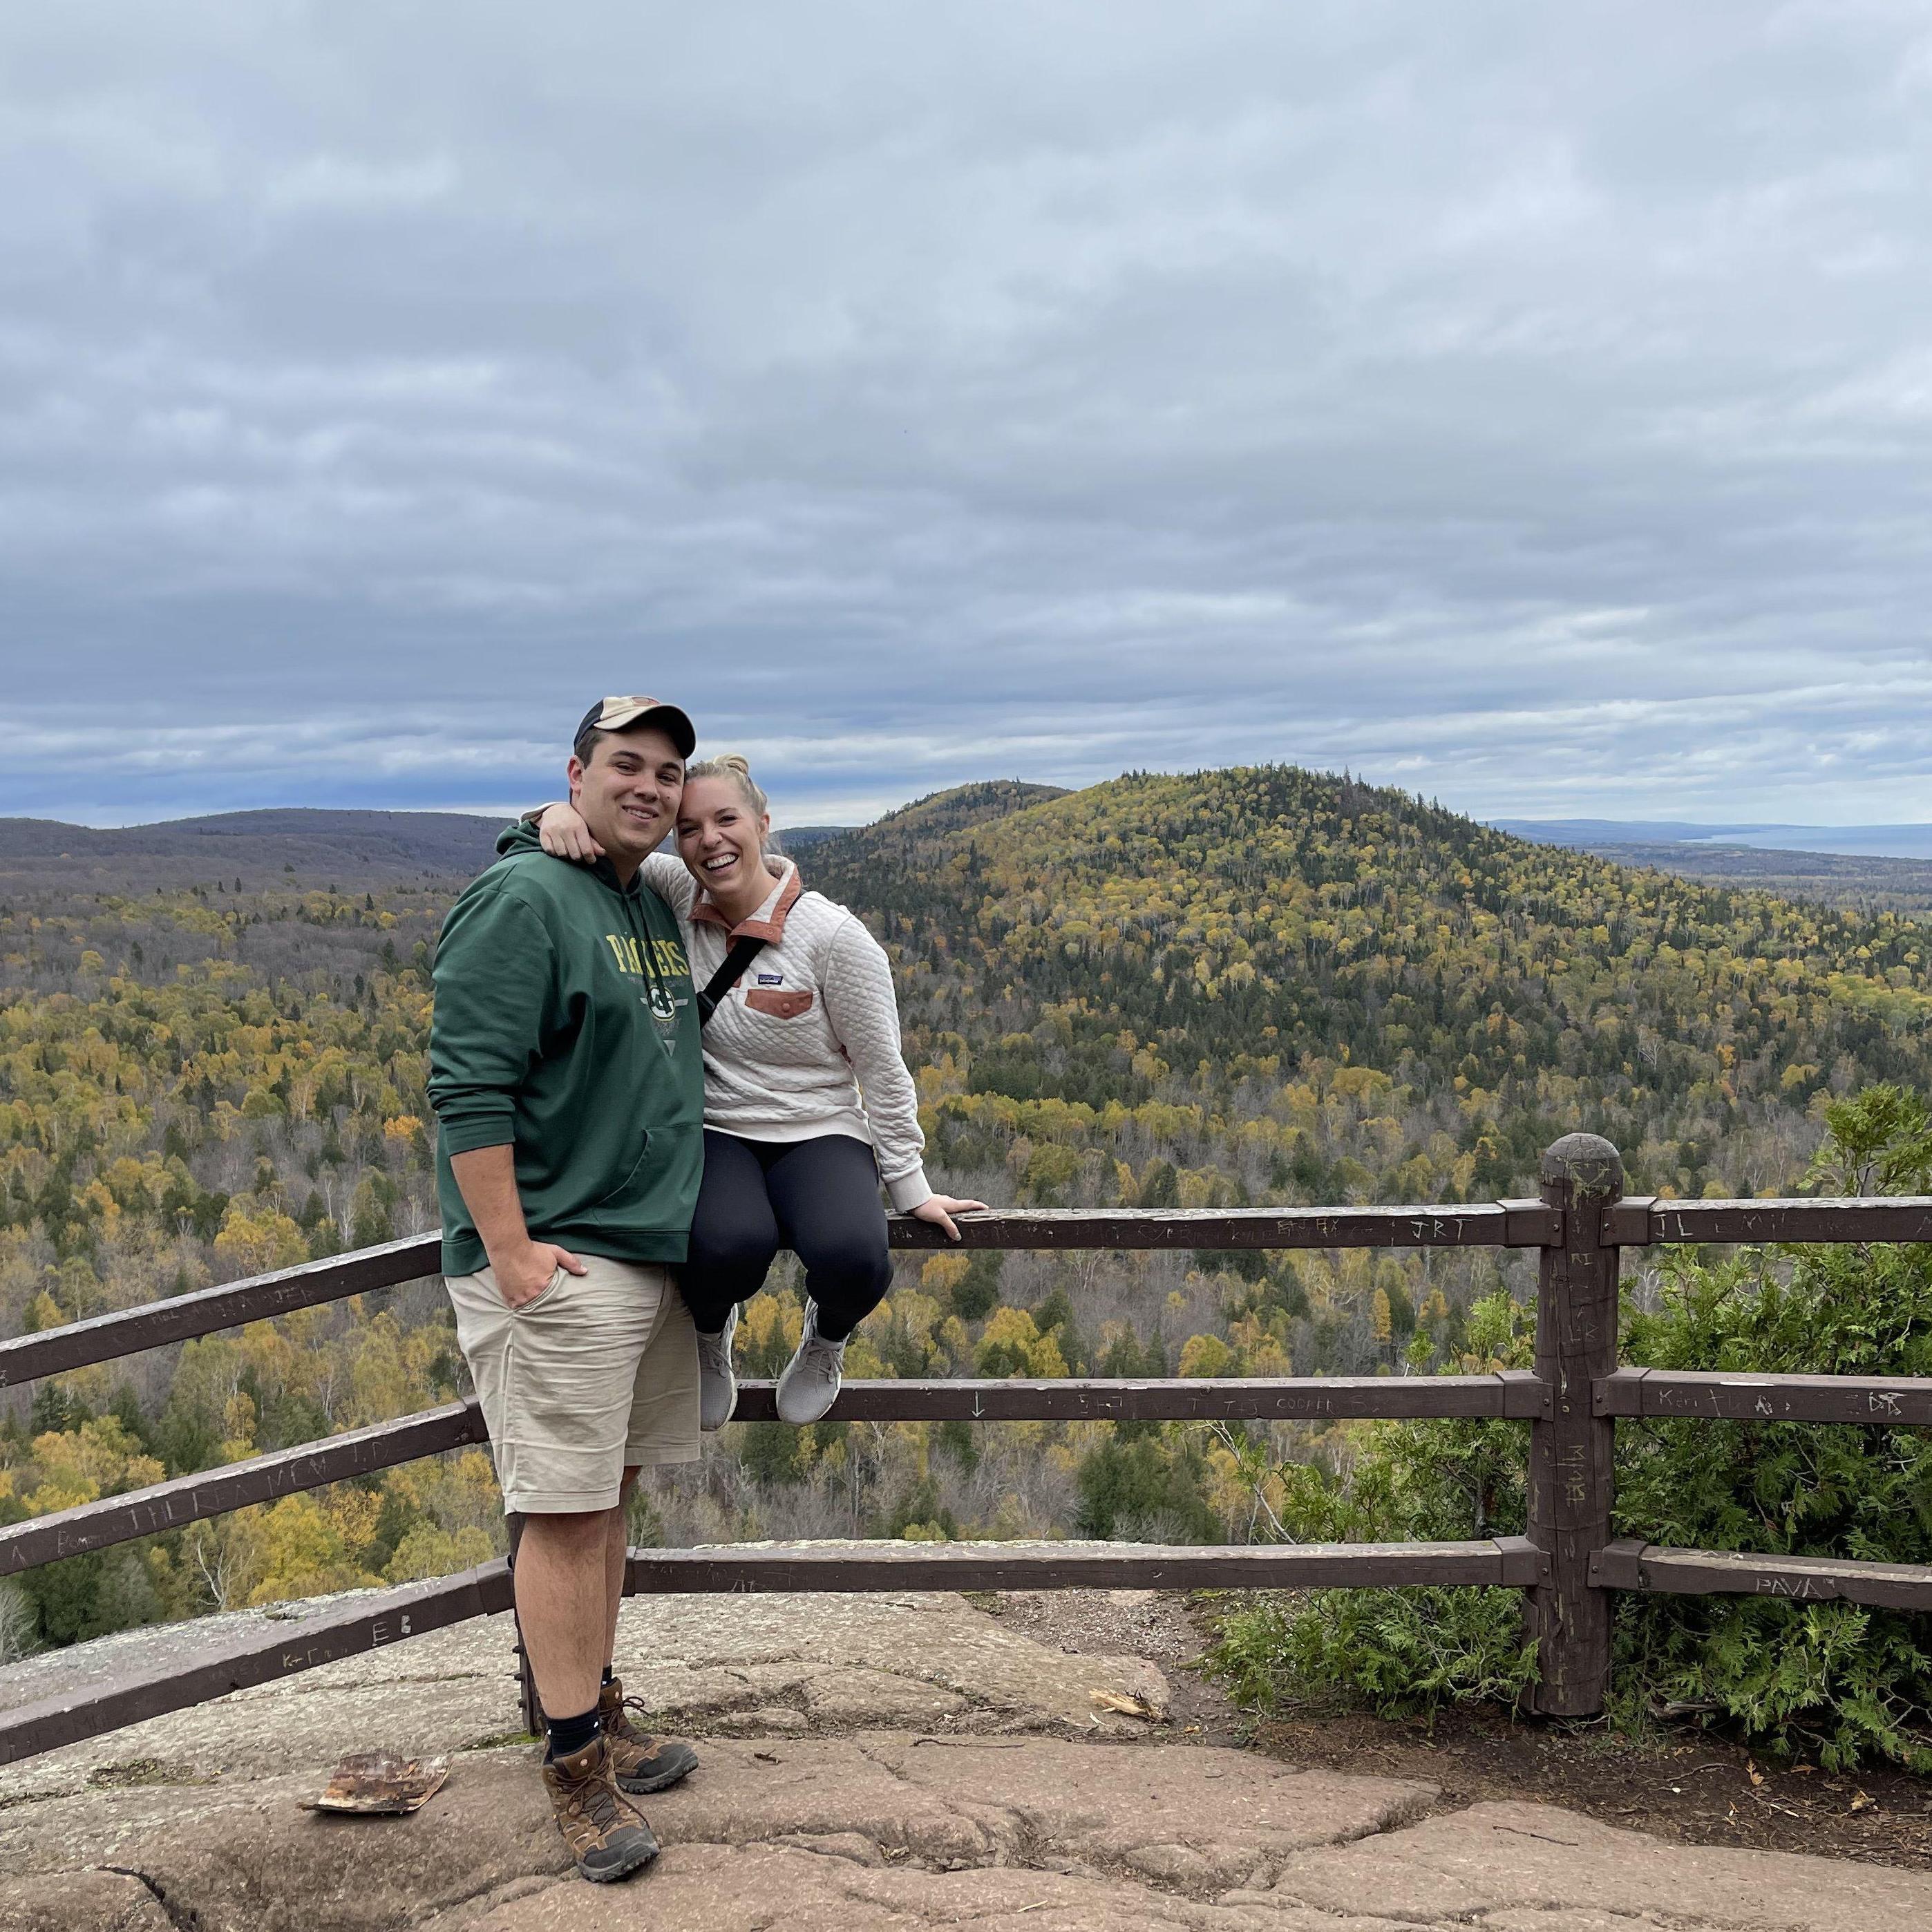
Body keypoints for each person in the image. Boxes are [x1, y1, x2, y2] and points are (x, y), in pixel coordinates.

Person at [428, 696, 706, 1886]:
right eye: (624, 766)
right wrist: (511, 1250)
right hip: (561, 1260)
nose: (648, 785)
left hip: (643, 1255)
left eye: (667, 771)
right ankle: (573, 1769)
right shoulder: (522, 897)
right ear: (577, 773)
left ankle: (591, 1703)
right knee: (564, 1510)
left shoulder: (641, 894)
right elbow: (467, 1083)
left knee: (610, 1496)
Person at [531, 755, 985, 1430]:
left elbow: (882, 1070)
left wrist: (910, 1186)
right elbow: (589, 841)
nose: (709, 840)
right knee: (720, 1246)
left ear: (763, 824)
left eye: (726, 820)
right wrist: (553, 815)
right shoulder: (673, 890)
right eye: (689, 828)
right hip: (717, 1125)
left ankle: (825, 1339)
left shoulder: (834, 938)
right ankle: (710, 1336)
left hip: (819, 1124)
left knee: (856, 1259)